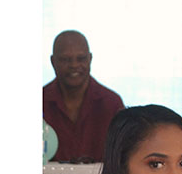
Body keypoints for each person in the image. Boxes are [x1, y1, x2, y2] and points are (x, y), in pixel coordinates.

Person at [43, 30, 124, 163]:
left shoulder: (111, 104)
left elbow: (122, 158)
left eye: (81, 59)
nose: (74, 65)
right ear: (53, 61)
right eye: (65, 59)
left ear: (90, 59)